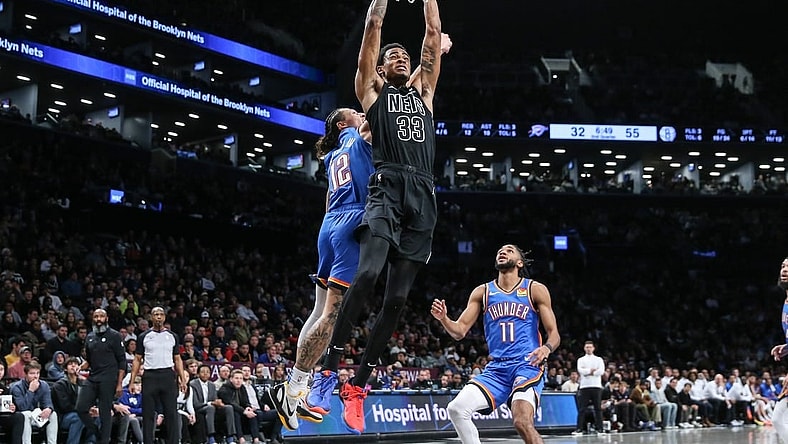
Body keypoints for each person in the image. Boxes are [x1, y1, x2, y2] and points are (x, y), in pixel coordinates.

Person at [315, 0, 445, 434]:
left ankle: (359, 386)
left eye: (403, 55)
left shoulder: (424, 92)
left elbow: (431, 34)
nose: (401, 57)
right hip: (387, 187)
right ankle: (329, 368)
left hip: (422, 193)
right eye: (393, 56)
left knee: (397, 300)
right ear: (381, 69)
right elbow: (373, 24)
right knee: (367, 275)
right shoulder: (372, 94)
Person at [269, 106, 373, 430]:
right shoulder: (358, 138)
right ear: (344, 124)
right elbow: (381, 109)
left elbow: (329, 198)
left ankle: (296, 390)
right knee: (333, 314)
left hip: (328, 224)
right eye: (354, 113)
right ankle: (294, 388)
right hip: (351, 220)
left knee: (318, 310)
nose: (360, 113)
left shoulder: (331, 155)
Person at [431, 244, 560, 444]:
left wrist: (546, 348)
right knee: (456, 410)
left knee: (522, 421)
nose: (502, 251)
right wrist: (444, 319)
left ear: (519, 262)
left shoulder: (534, 289)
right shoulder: (482, 292)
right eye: (500, 250)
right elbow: (459, 331)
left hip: (526, 365)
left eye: (509, 250)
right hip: (497, 369)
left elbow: (554, 334)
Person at [129, 306, 187, 444]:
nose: (158, 317)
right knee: (148, 414)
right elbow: (137, 359)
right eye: (156, 314)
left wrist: (182, 379)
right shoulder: (144, 336)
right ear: (151, 317)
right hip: (150, 376)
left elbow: (177, 359)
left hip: (168, 375)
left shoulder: (173, 336)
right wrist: (132, 381)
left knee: (171, 414)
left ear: (164, 317)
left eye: (161, 314)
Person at [76, 308, 126, 444]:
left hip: (108, 379)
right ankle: (99, 436)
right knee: (80, 408)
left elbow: (122, 361)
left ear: (106, 318)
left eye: (101, 316)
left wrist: (119, 384)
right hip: (93, 378)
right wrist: (82, 366)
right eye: (96, 316)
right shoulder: (90, 336)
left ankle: (103, 441)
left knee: (105, 413)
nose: (98, 319)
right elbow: (90, 360)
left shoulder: (115, 336)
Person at [9, 362, 59, 444]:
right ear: (25, 374)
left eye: (37, 373)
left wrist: (48, 409)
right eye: (32, 373)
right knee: (26, 414)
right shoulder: (17, 387)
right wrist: (31, 390)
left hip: (37, 416)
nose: (36, 376)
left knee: (53, 414)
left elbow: (48, 402)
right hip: (22, 418)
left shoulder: (44, 385)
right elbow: (23, 408)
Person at [53, 357, 97, 444]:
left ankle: (90, 442)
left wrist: (93, 409)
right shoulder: (59, 385)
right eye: (70, 364)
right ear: (65, 369)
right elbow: (65, 406)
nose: (73, 366)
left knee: (97, 416)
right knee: (80, 417)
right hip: (64, 416)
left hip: (81, 412)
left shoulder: (83, 383)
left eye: (76, 364)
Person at [770, 257, 788, 442]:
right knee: (778, 418)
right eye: (783, 265)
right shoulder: (786, 300)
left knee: (778, 418)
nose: (784, 269)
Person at [572, 341, 605, 435]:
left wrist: (589, 372)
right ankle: (579, 429)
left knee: (597, 408)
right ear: (584, 348)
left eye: (590, 347)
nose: (588, 349)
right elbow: (580, 370)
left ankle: (600, 428)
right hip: (584, 386)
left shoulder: (599, 359)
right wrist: (591, 371)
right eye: (587, 347)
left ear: (593, 348)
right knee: (582, 408)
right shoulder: (581, 359)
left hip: (596, 386)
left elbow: (601, 371)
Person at [0, 363, 25, 444]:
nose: (0, 372)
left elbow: (10, 405)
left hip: (2, 417)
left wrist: (13, 407)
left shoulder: (4, 389)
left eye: (1, 370)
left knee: (19, 416)